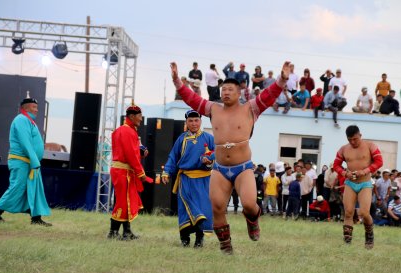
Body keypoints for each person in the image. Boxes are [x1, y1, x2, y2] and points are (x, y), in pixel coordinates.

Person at [170, 60, 290, 254]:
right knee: (217, 206)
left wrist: (282, 79)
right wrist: (177, 81)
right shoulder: (213, 109)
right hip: (219, 168)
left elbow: (269, 96)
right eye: (223, 89)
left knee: (250, 204)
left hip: (242, 168)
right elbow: (191, 98)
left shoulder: (250, 108)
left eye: (230, 90)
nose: (225, 92)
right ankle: (226, 247)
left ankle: (252, 220)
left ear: (239, 92)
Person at [0, 93, 52, 226]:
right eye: (34, 107)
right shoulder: (21, 120)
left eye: (36, 107)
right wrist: (35, 160)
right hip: (21, 161)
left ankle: (36, 219)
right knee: (17, 187)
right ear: (27, 108)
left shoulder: (29, 121)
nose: (37, 109)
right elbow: (26, 142)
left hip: (28, 162)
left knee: (34, 188)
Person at [162, 110, 214, 247]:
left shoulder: (209, 138)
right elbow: (173, 157)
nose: (194, 123)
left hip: (204, 180)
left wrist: (210, 160)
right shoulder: (181, 139)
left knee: (202, 209)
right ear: (186, 122)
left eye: (196, 120)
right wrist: (166, 172)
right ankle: (185, 239)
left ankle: (199, 240)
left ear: (201, 121)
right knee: (186, 209)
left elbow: (218, 154)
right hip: (186, 180)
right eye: (190, 121)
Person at [333, 125, 383, 249]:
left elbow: (379, 162)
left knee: (364, 212)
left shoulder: (370, 146)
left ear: (360, 135)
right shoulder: (344, 149)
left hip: (365, 183)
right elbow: (336, 165)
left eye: (355, 139)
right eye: (350, 140)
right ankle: (347, 242)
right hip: (350, 183)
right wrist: (345, 173)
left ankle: (369, 237)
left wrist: (365, 171)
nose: (352, 142)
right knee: (348, 212)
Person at [107, 102, 152, 240]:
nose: (141, 119)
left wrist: (140, 153)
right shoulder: (127, 131)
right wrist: (141, 173)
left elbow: (130, 152)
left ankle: (126, 231)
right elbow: (130, 155)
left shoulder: (124, 130)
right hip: (123, 172)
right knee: (123, 201)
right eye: (139, 116)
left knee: (125, 200)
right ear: (132, 116)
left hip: (122, 170)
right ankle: (113, 232)